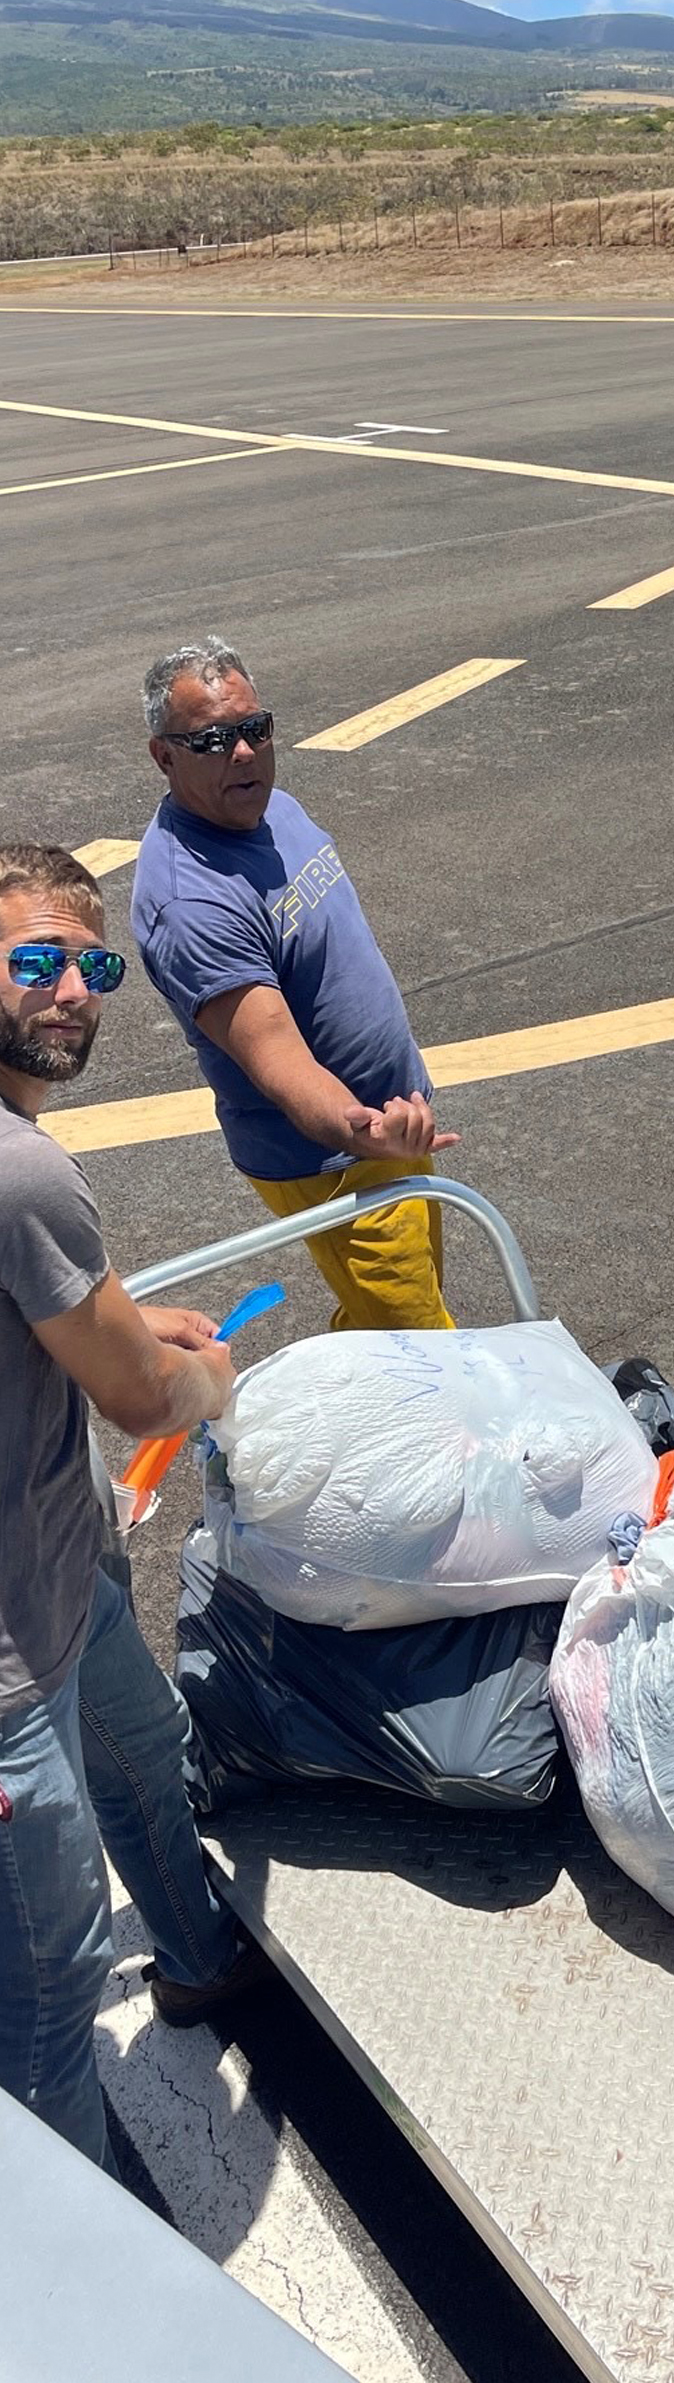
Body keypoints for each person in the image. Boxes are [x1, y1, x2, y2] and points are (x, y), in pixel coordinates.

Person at [0, 844, 255, 2180]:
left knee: (145, 1748)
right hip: (8, 1675)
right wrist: (202, 1382)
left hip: (54, 1573)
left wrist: (118, 1313)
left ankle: (203, 1961)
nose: (71, 991)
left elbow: (51, 1307)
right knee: (48, 2010)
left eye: (91, 964)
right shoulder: (22, 1172)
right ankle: (76, 2272)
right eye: (34, 960)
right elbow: (142, 1400)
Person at [127, 640, 457, 1333]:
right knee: (428, 1351)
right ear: (164, 757)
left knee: (392, 1326)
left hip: (394, 1124)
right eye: (213, 740)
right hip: (338, 1155)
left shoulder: (273, 810)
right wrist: (365, 1131)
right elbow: (279, 1061)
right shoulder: (191, 904)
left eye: (255, 728)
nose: (244, 753)